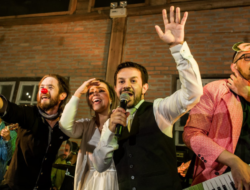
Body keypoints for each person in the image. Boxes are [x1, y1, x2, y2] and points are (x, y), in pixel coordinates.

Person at [92, 6, 203, 190]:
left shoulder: (160, 110)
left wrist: (177, 47)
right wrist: (109, 131)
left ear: (144, 87)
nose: (126, 85)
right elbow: (100, 165)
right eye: (121, 81)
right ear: (116, 88)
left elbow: (193, 94)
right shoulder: (110, 123)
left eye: (133, 80)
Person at [183, 41, 250, 190]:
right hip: (220, 179)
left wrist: (246, 93)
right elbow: (191, 134)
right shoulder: (214, 89)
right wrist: (233, 161)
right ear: (234, 66)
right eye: (248, 57)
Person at [59, 78, 119, 190]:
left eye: (101, 90)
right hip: (89, 182)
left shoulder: (120, 121)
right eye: (91, 93)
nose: (95, 93)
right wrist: (78, 93)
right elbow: (65, 125)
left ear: (111, 98)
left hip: (115, 181)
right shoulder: (86, 125)